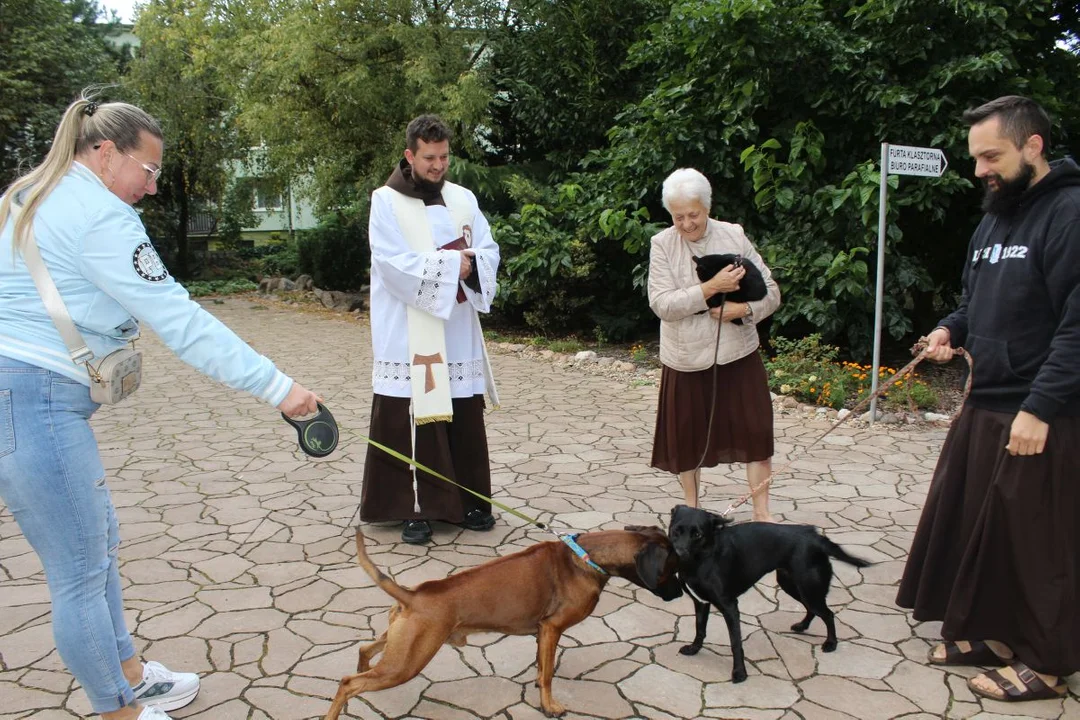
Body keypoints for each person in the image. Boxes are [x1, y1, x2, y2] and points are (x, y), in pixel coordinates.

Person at [0, 95, 321, 720]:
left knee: (99, 546)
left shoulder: (32, 194)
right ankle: (119, 708)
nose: (151, 188)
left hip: (28, 392)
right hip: (35, 395)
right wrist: (280, 388)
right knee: (79, 570)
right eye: (147, 171)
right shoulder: (98, 216)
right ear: (104, 152)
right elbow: (182, 321)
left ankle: (129, 674)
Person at [896, 96, 1080, 702]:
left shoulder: (1070, 213)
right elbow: (976, 299)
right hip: (986, 401)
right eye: (976, 157)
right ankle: (992, 633)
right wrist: (951, 329)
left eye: (990, 156)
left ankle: (1047, 663)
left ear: (1033, 146)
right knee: (978, 526)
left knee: (1037, 542)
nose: (979, 170)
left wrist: (1042, 407)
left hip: (1043, 410)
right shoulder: (996, 217)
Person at [360, 114, 501, 545]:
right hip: (408, 331)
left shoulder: (463, 198)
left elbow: (489, 249)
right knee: (407, 414)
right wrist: (448, 264)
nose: (438, 166)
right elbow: (389, 263)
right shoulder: (385, 201)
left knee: (459, 412)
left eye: (443, 157)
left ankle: (467, 501)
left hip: (456, 327)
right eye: (428, 158)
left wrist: (473, 262)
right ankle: (409, 508)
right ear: (409, 155)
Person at [647, 168, 781, 521]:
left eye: (694, 214)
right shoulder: (662, 244)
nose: (687, 224)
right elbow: (662, 304)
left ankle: (761, 513)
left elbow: (772, 292)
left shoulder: (734, 235)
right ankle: (692, 510)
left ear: (706, 207)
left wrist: (745, 308)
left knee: (756, 432)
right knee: (686, 441)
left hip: (738, 352)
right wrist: (710, 289)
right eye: (679, 217)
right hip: (685, 358)